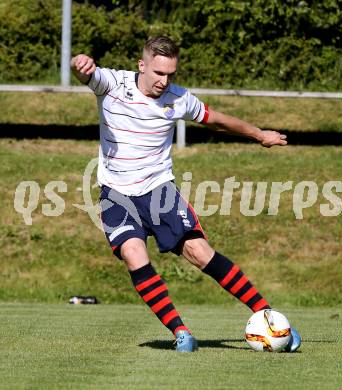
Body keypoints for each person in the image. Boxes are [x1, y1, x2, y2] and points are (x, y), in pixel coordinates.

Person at [71, 36, 301, 352]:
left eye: (171, 75)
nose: (164, 82)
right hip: (116, 195)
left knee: (199, 252)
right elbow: (86, 74)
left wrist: (259, 134)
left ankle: (272, 319)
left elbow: (217, 120)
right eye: (158, 74)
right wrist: (79, 63)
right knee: (133, 253)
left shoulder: (178, 99)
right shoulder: (113, 84)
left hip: (159, 191)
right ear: (142, 65)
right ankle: (181, 332)